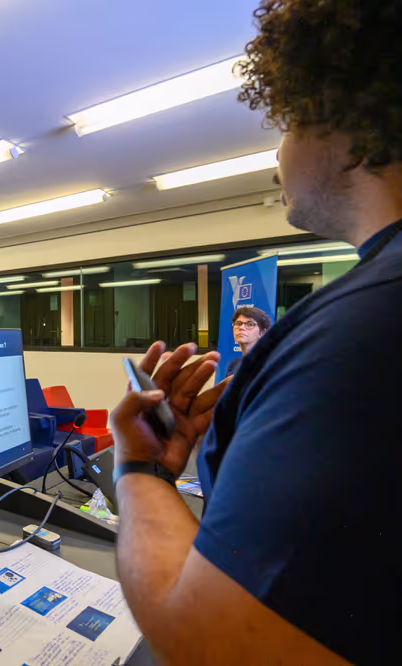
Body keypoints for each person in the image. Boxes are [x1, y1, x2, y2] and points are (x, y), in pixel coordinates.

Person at [107, 3, 402, 664]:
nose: (276, 158)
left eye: (288, 121)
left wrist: (139, 470)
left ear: (343, 118)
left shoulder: (363, 334)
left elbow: (208, 645)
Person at [225, 307, 272, 378]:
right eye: (238, 323)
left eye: (250, 324)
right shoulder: (233, 365)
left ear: (262, 333)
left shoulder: (269, 363)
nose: (241, 328)